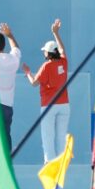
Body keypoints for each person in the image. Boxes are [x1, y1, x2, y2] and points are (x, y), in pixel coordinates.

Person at [23, 19, 69, 162]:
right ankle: (61, 162)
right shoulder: (63, 62)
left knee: (47, 136)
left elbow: (34, 83)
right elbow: (62, 49)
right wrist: (56, 33)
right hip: (65, 105)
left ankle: (50, 163)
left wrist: (28, 73)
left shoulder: (46, 66)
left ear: (48, 54)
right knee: (61, 135)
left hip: (48, 105)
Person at [0, 23, 22, 151]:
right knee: (6, 135)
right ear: (4, 45)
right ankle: (7, 161)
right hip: (8, 105)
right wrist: (9, 35)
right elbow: (16, 48)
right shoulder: (13, 60)